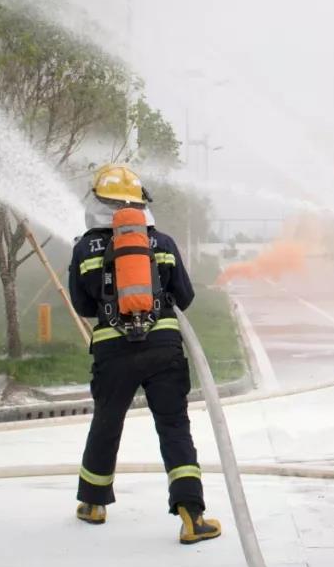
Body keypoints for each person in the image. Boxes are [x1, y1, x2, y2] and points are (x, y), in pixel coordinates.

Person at [68, 163, 221, 544]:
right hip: (164, 347)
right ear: (140, 203)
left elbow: (83, 306)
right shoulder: (163, 243)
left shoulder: (84, 248)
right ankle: (192, 516)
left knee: (106, 424)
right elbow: (185, 297)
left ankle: (93, 504)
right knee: (174, 426)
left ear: (97, 202)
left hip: (112, 352)